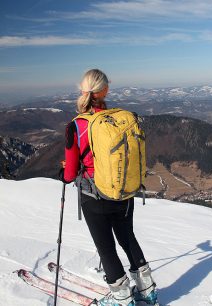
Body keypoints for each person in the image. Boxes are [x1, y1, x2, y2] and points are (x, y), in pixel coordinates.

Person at [59, 69, 158, 306]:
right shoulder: (120, 118)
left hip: (94, 196)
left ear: (83, 90)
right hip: (124, 191)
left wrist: (63, 172)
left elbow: (71, 173)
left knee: (106, 248)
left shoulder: (76, 126)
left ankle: (122, 298)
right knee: (127, 238)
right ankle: (147, 291)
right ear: (105, 90)